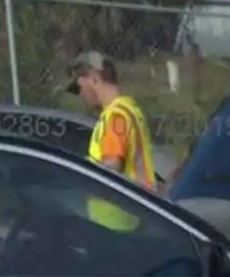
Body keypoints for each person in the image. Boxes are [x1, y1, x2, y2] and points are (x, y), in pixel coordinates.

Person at [59, 50, 158, 231]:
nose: (80, 94)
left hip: (115, 224)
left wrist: (79, 173)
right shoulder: (129, 110)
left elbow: (112, 165)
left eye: (79, 86)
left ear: (94, 78)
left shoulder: (116, 117)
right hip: (129, 219)